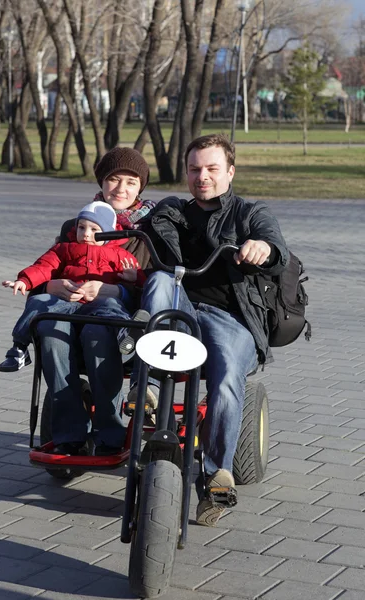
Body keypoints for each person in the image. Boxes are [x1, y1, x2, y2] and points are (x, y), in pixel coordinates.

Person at [129, 133, 289, 527]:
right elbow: (138, 239)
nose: (203, 176)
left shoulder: (250, 213)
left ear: (230, 171)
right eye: (195, 169)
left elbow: (275, 247)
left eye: (212, 169)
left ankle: (218, 474)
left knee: (226, 379)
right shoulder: (172, 211)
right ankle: (145, 382)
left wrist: (261, 249)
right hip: (177, 310)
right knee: (163, 281)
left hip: (230, 318)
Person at [34, 148, 155, 456]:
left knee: (96, 333)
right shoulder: (77, 226)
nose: (121, 189)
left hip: (119, 321)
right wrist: (52, 284)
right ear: (102, 182)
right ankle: (69, 433)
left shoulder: (148, 232)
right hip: (70, 309)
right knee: (50, 331)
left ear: (141, 187)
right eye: (114, 179)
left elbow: (154, 289)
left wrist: (113, 291)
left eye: (131, 182)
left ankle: (109, 431)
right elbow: (45, 268)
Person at [0, 202, 145, 373]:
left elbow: (141, 281)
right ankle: (19, 347)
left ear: (109, 233)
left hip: (98, 305)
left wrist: (135, 277)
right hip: (66, 302)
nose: (86, 234)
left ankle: (125, 334)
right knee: (39, 300)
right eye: (81, 227)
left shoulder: (120, 255)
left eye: (94, 230)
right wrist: (24, 280)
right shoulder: (64, 249)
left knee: (112, 305)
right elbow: (44, 266)